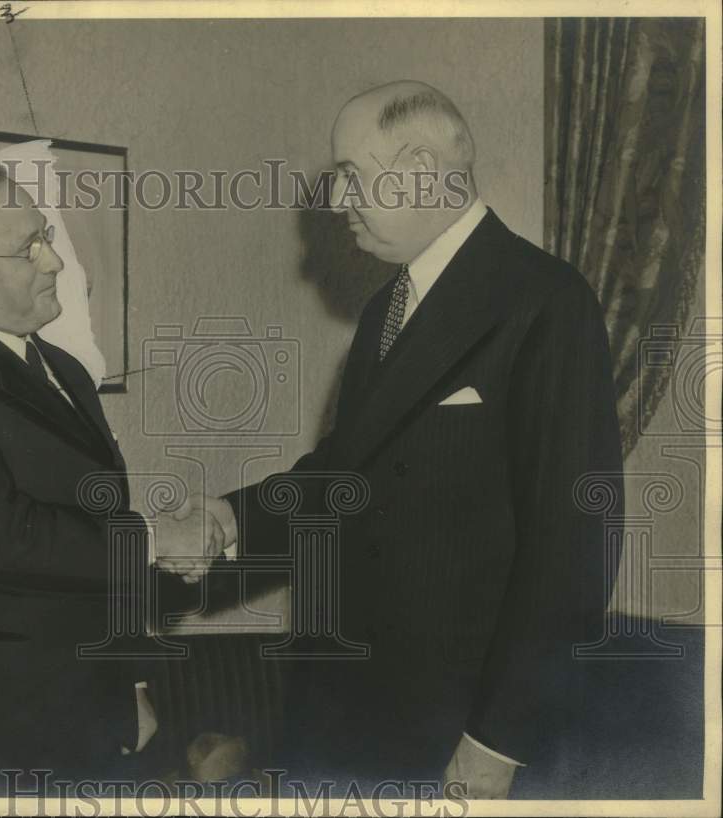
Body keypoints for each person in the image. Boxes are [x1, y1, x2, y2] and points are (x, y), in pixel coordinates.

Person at [179, 81, 624, 797]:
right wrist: (234, 518)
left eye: (349, 174)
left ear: (420, 169)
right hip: (343, 708)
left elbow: (573, 546)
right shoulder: (389, 304)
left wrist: (497, 740)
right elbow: (344, 475)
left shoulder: (546, 300)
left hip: (451, 729)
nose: (335, 200)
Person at [0, 161, 219, 793]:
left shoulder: (63, 368)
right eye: (28, 248)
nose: (54, 261)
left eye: (46, 236)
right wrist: (158, 538)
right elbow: (3, 539)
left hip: (86, 713)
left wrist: (131, 683)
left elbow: (97, 539)